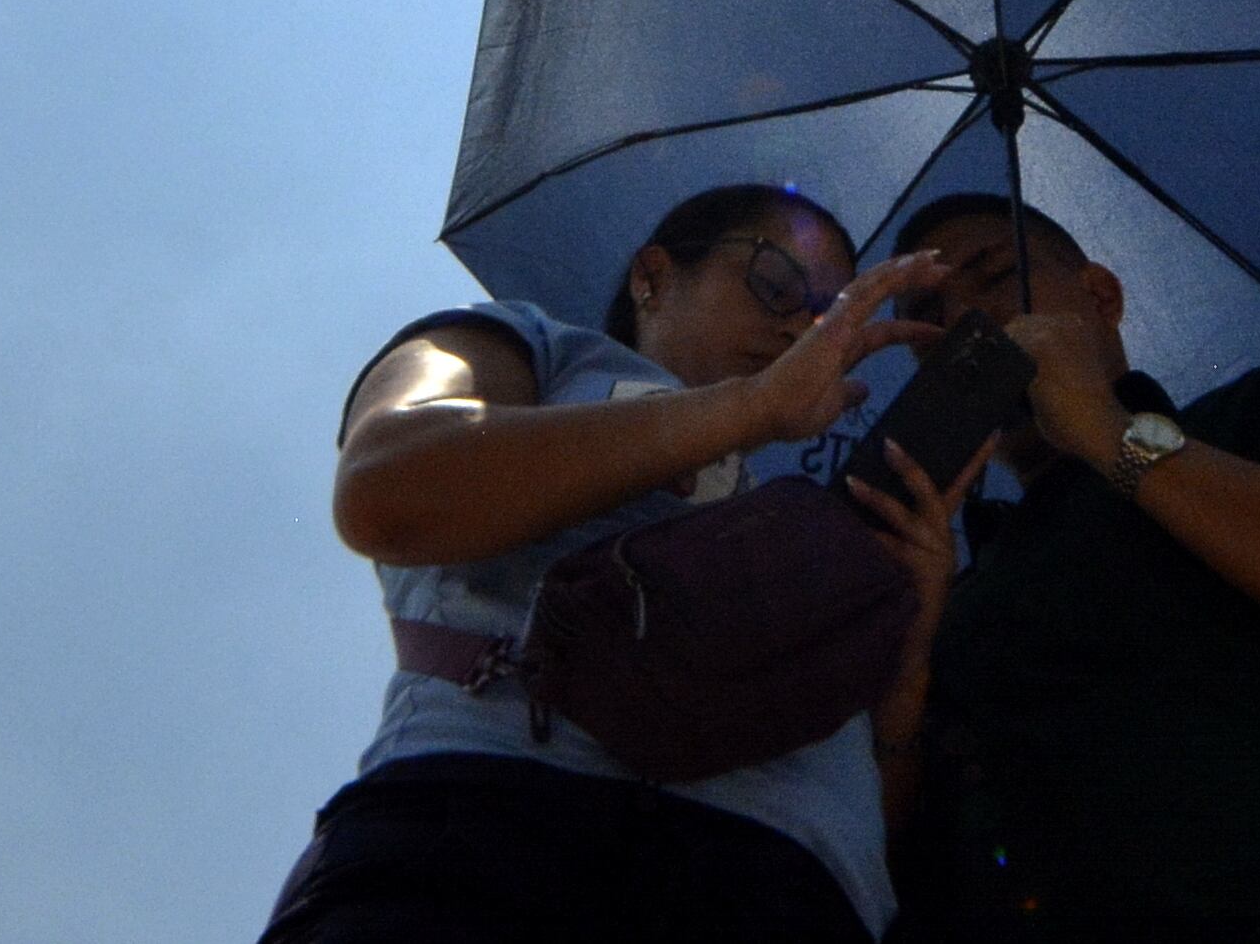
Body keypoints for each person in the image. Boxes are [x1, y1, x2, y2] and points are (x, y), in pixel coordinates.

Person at [259, 182, 953, 944]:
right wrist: (745, 408)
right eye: (776, 284)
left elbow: (877, 822)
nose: (800, 329)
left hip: (795, 888)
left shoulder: (812, 510)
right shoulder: (536, 348)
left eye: (827, 317)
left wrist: (907, 657)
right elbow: (386, 483)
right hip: (496, 830)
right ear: (652, 276)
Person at [849, 194, 1260, 944]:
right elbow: (873, 863)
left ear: (1099, 296)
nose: (963, 319)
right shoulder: (945, 589)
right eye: (928, 316)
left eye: (994, 276)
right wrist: (907, 667)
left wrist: (1110, 434)